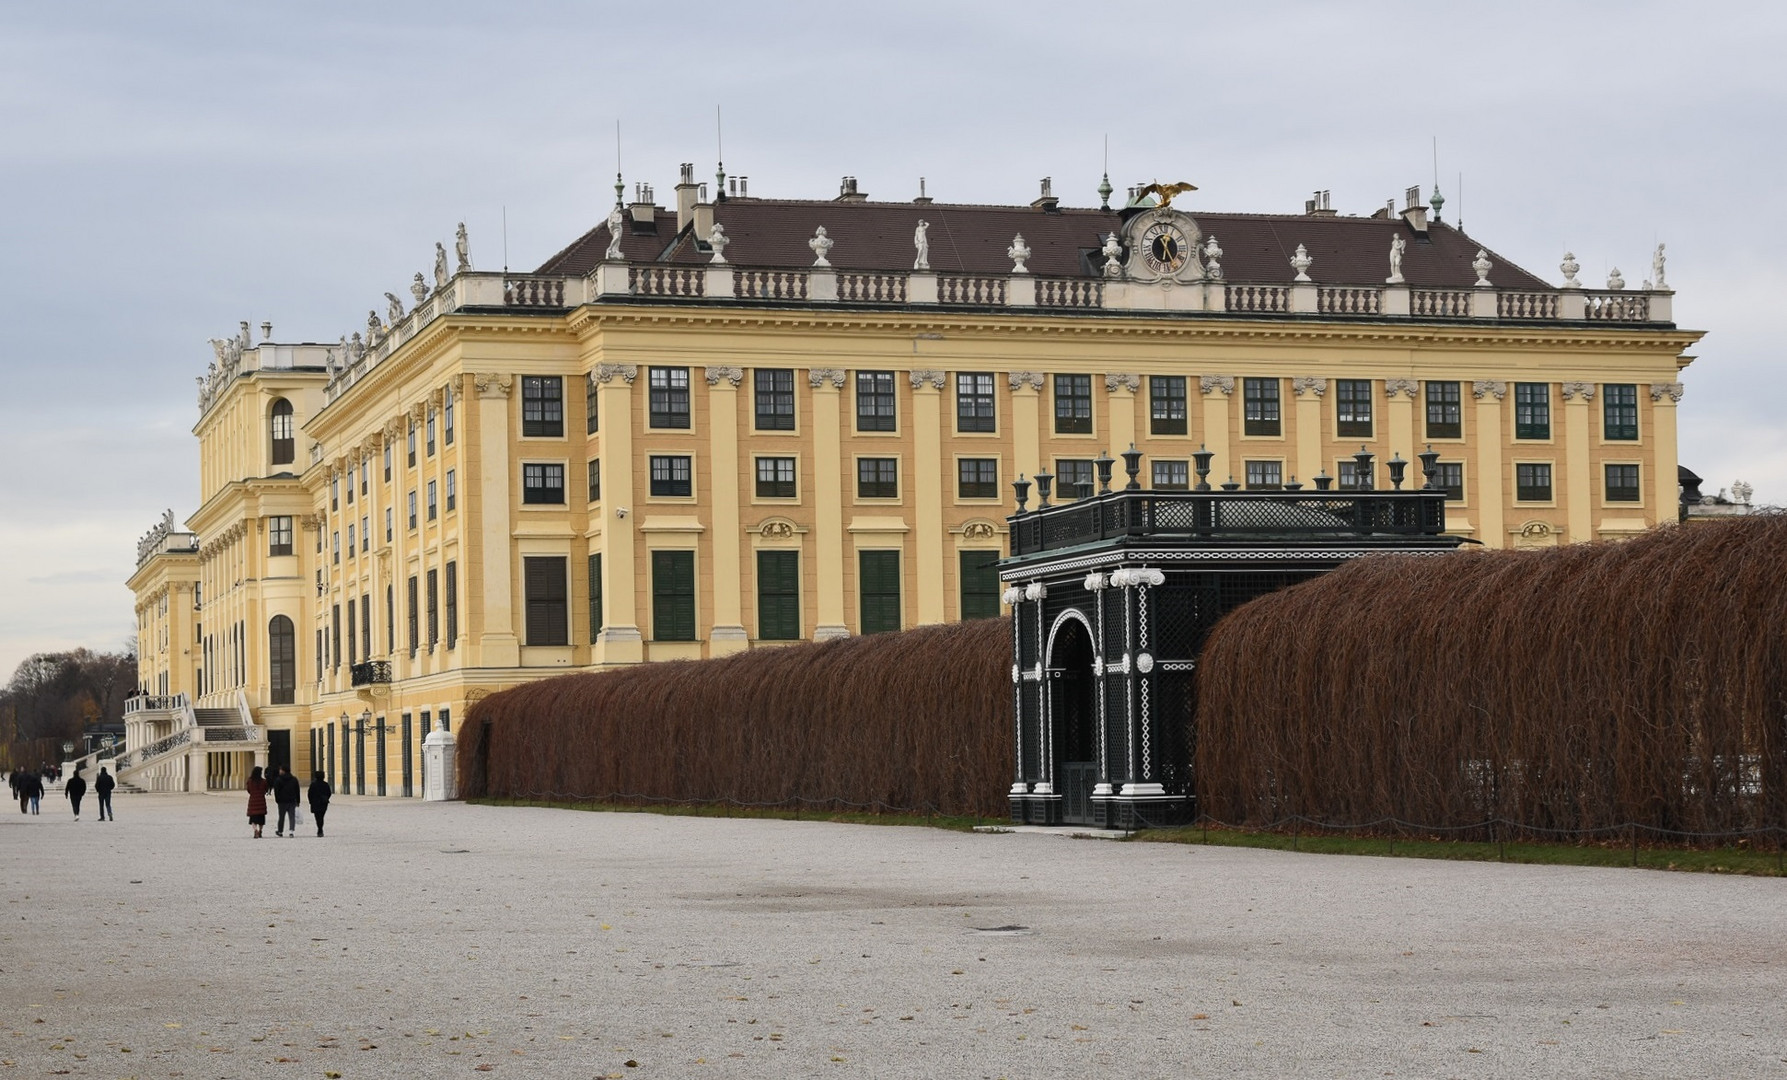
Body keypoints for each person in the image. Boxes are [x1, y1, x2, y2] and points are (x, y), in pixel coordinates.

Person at [272, 765, 301, 837]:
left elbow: (276, 791)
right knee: (292, 816)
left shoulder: (278, 780)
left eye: (280, 770)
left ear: (283, 771)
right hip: (292, 800)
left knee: (281, 817)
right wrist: (298, 801)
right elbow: (297, 791)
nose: (279, 771)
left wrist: (277, 800)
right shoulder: (294, 779)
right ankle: (291, 831)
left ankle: (280, 831)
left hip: (282, 801)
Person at [245, 765, 269, 838]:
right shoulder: (263, 781)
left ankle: (255, 830)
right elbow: (266, 789)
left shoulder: (250, 781)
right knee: (261, 818)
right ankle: (260, 830)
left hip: (253, 801)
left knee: (253, 818)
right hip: (261, 801)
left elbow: (248, 790)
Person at [307, 770, 333, 837]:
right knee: (321, 816)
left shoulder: (313, 784)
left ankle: (319, 829)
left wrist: (310, 801)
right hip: (323, 803)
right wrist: (326, 798)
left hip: (315, 802)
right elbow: (329, 793)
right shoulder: (325, 784)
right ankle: (320, 829)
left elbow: (309, 794)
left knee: (317, 817)